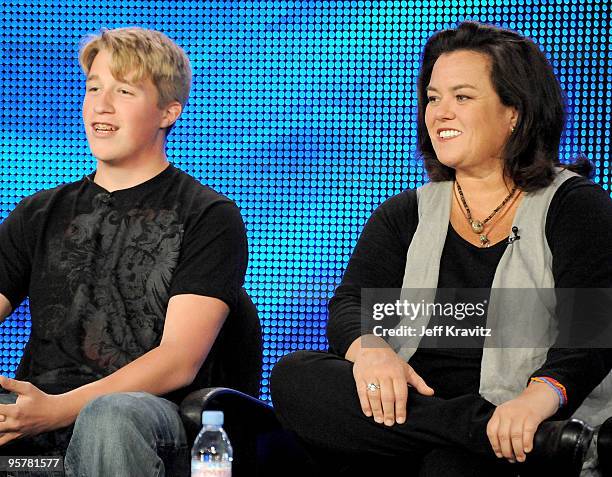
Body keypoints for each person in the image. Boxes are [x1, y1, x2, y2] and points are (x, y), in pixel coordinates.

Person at [271, 22, 612, 476]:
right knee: (296, 375)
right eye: (433, 98)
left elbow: (590, 333)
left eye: (462, 97)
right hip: (416, 411)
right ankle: (474, 430)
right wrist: (371, 349)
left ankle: (486, 437)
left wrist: (535, 400)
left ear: (515, 111)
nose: (439, 113)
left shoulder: (573, 205)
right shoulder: (406, 212)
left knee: (446, 468)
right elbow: (351, 304)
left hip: (523, 414)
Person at [0, 27, 248, 476]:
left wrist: (60, 409)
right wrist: (41, 408)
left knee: (108, 416)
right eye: (93, 87)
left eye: (124, 91)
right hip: (38, 405)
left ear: (168, 112)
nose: (100, 104)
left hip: (145, 415)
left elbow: (178, 361)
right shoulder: (38, 212)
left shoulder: (208, 215)